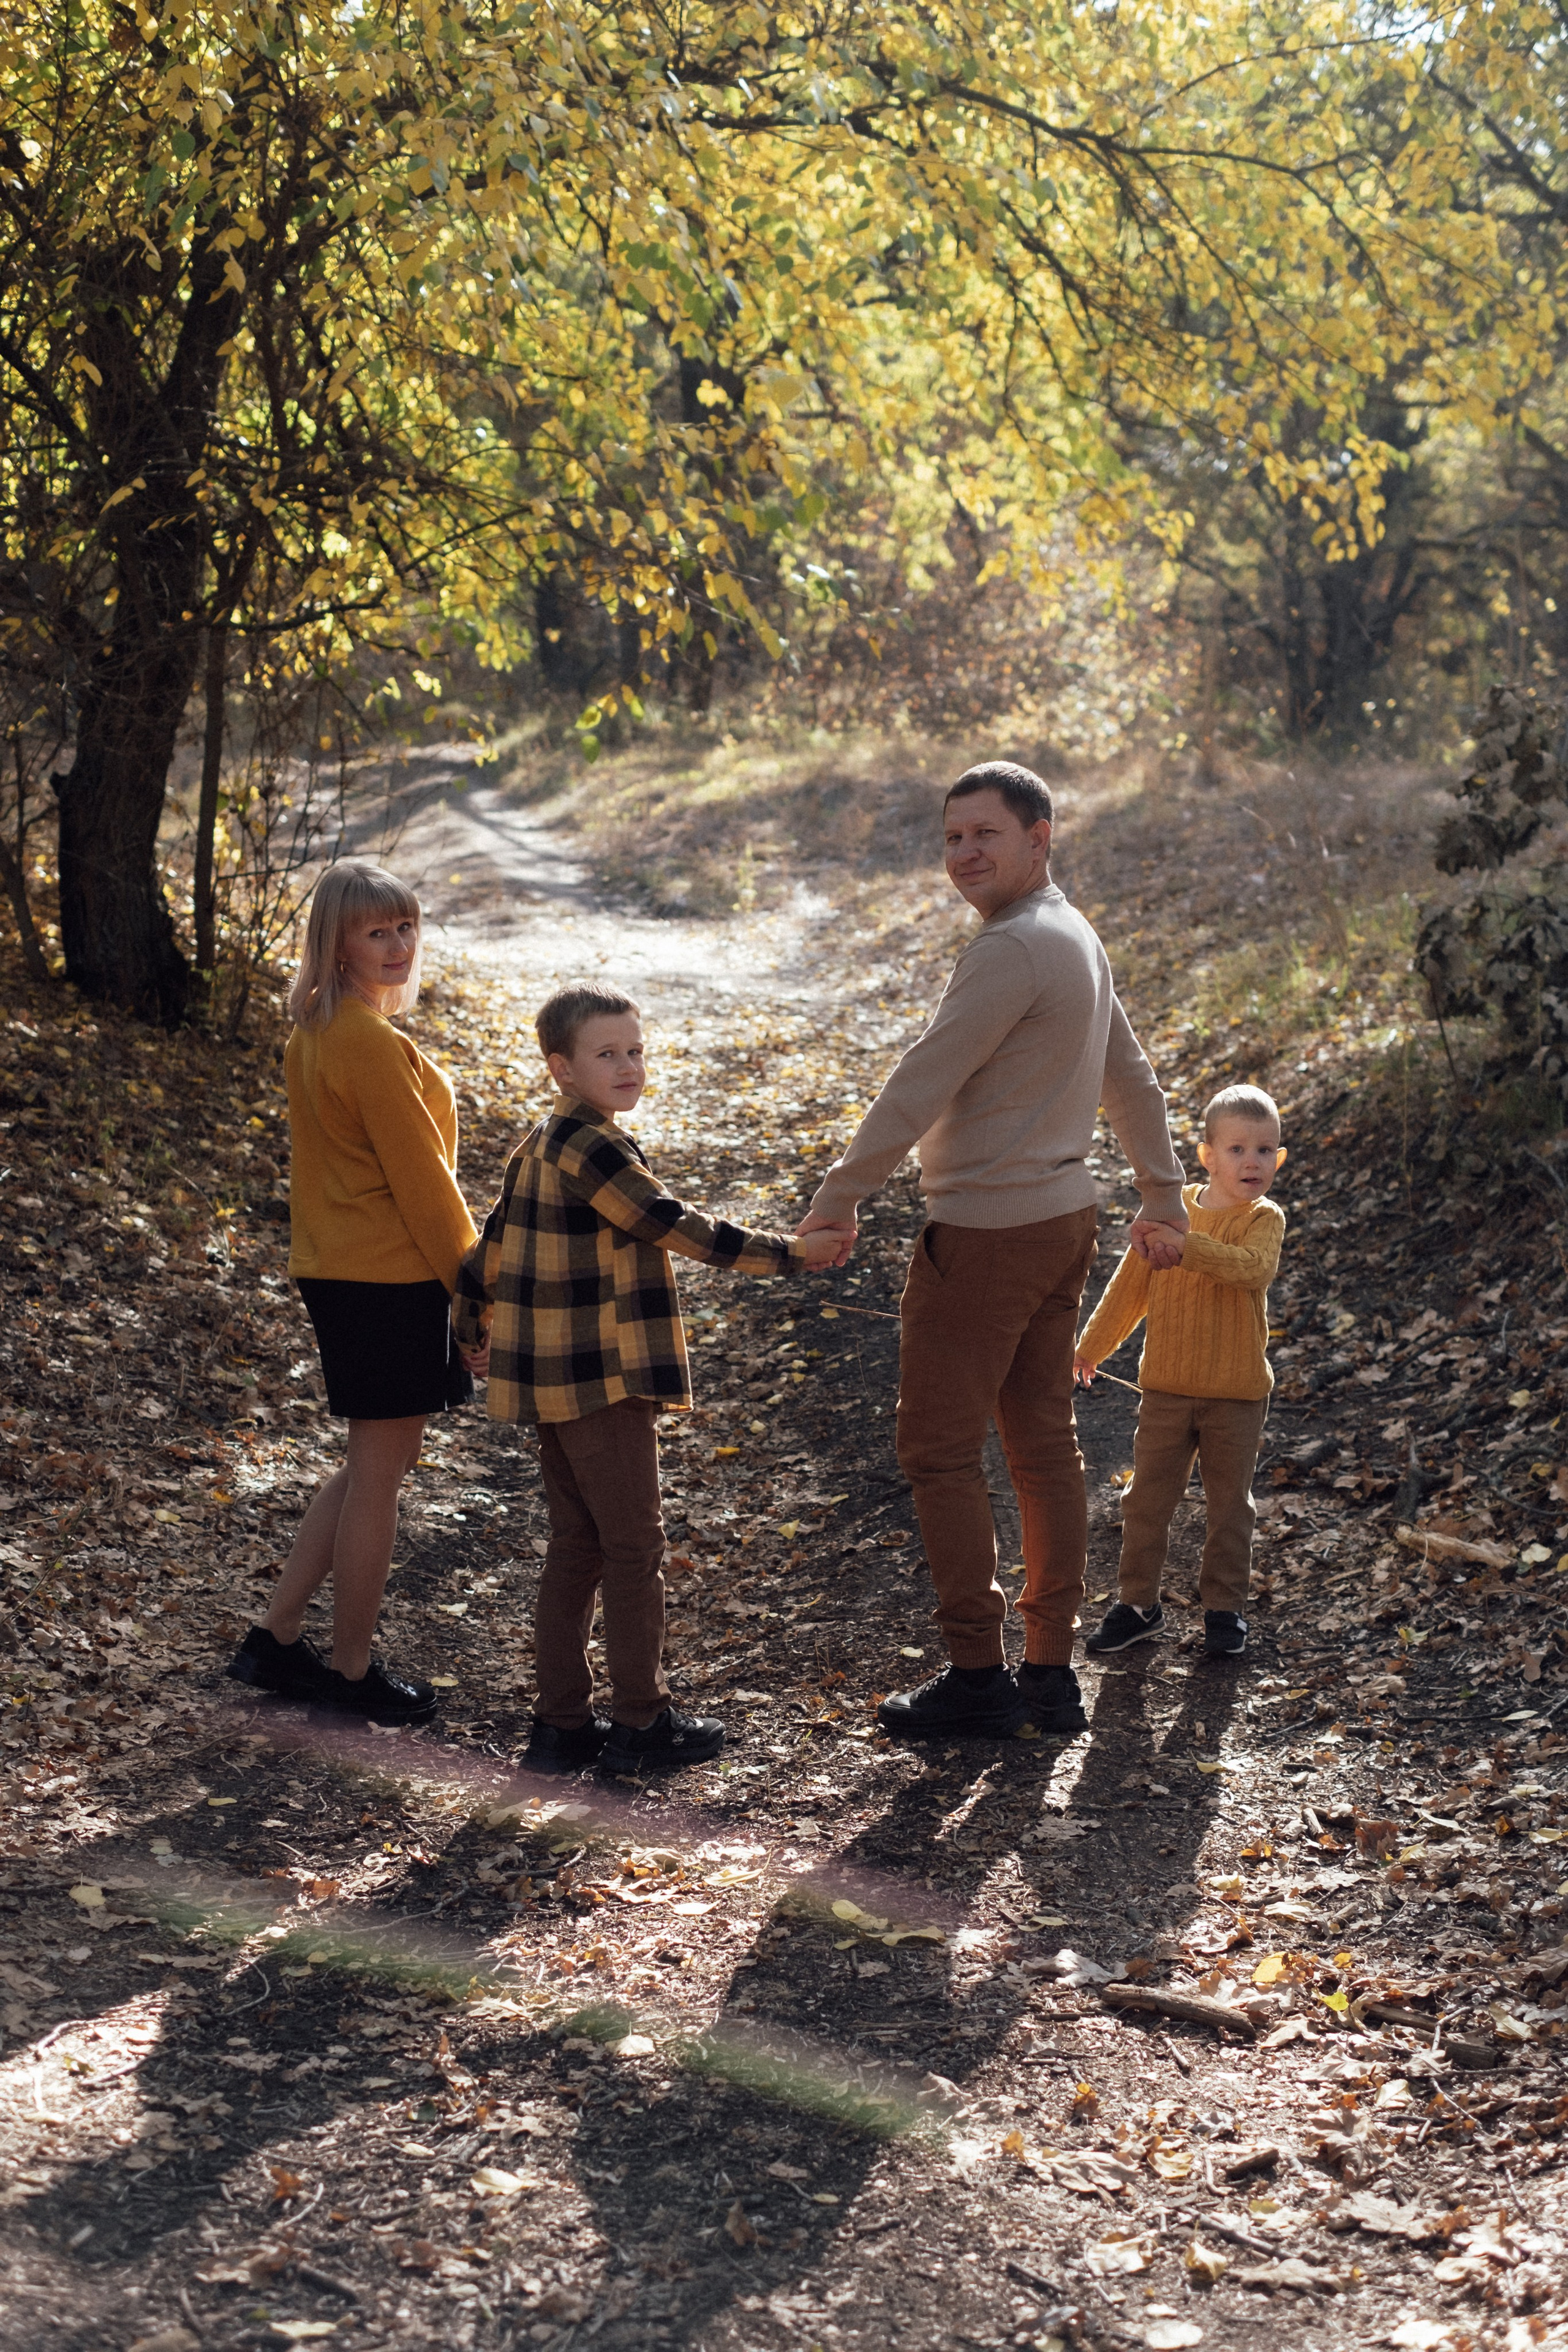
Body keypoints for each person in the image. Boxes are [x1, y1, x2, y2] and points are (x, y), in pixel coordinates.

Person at [797, 761, 1186, 1741]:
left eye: (986, 834)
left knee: (938, 1451)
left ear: (1039, 838)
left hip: (986, 1234)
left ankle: (978, 1675)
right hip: (1062, 1223)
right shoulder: (1073, 934)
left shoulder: (1014, 947)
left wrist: (837, 1199)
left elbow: (920, 1082)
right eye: (952, 837)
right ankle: (1048, 1672)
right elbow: (1132, 1077)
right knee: (1042, 1443)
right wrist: (1160, 1194)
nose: (965, 852)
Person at [453, 982, 853, 1777]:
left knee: (578, 1546)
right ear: (562, 1068)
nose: (628, 1066)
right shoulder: (593, 1146)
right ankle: (642, 1720)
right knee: (633, 1548)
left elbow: (484, 1254)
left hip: (554, 1383)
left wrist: (473, 1328)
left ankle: (561, 1725)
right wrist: (791, 1254)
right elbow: (672, 1225)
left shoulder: (542, 1142)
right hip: (602, 1378)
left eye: (635, 1050)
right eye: (607, 1054)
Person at [225, 861, 478, 1725]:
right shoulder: (364, 1041)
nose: (398, 944)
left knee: (374, 1462)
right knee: (379, 1477)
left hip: (346, 1271)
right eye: (377, 931)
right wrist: (473, 1289)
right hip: (386, 1276)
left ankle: (276, 1637)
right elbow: (424, 1184)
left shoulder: (319, 1028)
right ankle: (351, 1671)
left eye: (406, 926)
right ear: (337, 942)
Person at [1074, 1083, 1287, 1661]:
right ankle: (1138, 1605)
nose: (1252, 1162)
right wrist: (1091, 1347)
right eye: (1237, 1149)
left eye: (1264, 1151)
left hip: (1236, 1395)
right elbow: (1130, 1288)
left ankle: (1224, 1610)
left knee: (1229, 1507)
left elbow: (1252, 1270)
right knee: (1146, 1501)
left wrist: (1184, 1245)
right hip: (1166, 1389)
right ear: (1207, 1156)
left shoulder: (1263, 1218)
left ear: (1278, 1159)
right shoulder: (1170, 1212)